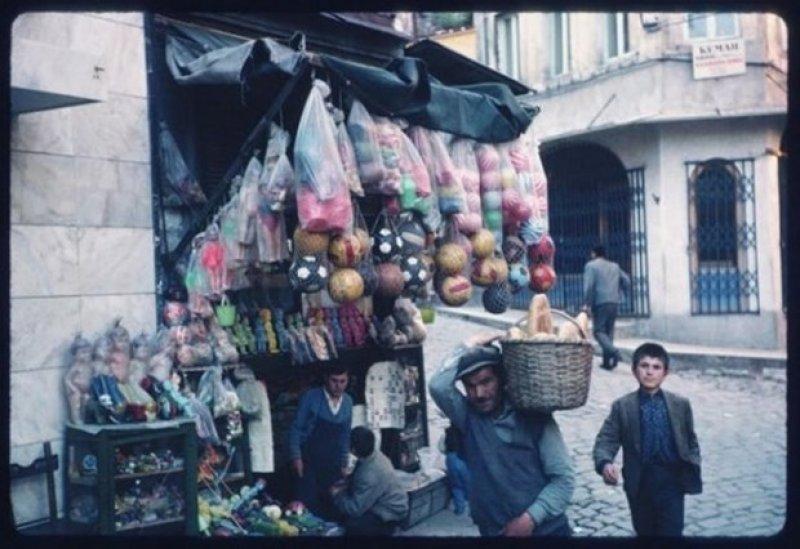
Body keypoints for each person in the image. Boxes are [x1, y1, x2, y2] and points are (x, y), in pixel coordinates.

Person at [428, 333, 575, 537]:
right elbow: (438, 386)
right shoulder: (467, 416)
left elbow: (563, 480)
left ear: (502, 380)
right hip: (493, 530)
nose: (479, 393)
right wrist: (467, 344)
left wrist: (530, 519)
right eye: (470, 386)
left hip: (547, 531)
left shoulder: (534, 417)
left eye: (486, 381)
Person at [592, 342, 702, 536]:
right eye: (644, 366)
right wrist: (605, 463)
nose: (650, 372)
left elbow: (690, 440)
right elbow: (606, 439)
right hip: (641, 482)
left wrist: (692, 461)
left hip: (672, 482)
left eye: (656, 367)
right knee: (645, 532)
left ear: (665, 373)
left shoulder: (680, 405)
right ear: (635, 371)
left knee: (672, 532)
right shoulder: (623, 406)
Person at [288, 364, 353, 520]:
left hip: (333, 462)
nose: (338, 386)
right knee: (308, 505)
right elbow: (296, 429)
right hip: (309, 461)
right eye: (334, 381)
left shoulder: (348, 402)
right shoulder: (311, 397)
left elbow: (345, 435)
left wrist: (345, 463)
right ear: (326, 379)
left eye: (343, 381)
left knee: (332, 505)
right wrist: (296, 457)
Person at [330, 426, 409, 535]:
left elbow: (355, 510)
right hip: (385, 500)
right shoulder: (372, 454)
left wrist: (337, 494)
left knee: (352, 526)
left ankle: (388, 531)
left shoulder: (370, 474)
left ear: (353, 450)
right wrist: (347, 481)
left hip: (391, 512)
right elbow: (358, 473)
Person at [581, 244, 631, 370]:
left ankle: (614, 352)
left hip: (600, 302)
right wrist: (619, 290)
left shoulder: (591, 266)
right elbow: (627, 280)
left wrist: (586, 303)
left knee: (598, 332)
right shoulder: (615, 266)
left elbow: (589, 286)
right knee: (608, 332)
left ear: (593, 254)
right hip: (614, 302)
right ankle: (608, 363)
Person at [443, 425, 470, 515]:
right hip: (464, 458)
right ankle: (471, 510)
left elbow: (441, 447)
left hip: (451, 458)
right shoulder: (468, 431)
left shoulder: (448, 432)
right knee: (469, 484)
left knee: (456, 486)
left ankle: (460, 509)